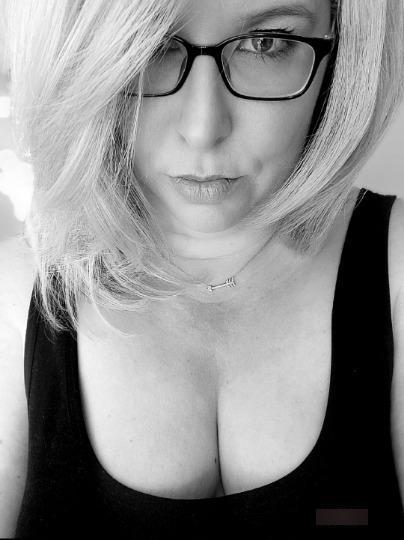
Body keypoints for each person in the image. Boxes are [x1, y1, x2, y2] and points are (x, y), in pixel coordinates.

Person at [1, 0, 404, 538]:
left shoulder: (396, 267)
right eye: (150, 46)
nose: (203, 128)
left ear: (343, 45)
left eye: (267, 43)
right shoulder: (12, 301)